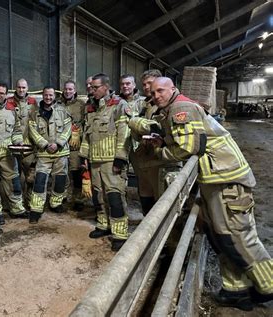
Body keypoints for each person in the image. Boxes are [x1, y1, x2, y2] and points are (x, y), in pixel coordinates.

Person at [148, 77, 272, 310]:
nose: (156, 96)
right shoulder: (175, 108)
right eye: (153, 92)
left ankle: (268, 283)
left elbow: (188, 147)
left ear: (173, 89)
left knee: (236, 235)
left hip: (227, 179)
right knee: (220, 236)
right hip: (217, 178)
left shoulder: (181, 108)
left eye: (160, 90)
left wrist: (159, 152)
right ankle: (237, 290)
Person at [79, 73, 131, 251]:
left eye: (95, 87)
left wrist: (120, 158)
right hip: (94, 161)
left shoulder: (119, 105)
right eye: (91, 88)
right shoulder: (91, 108)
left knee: (114, 196)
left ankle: (119, 233)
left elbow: (125, 134)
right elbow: (87, 135)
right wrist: (84, 157)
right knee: (98, 195)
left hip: (111, 162)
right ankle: (103, 224)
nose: (92, 90)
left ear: (105, 87)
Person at [0, 82, 27, 225]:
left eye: (2, 93)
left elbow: (17, 131)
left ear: (6, 94)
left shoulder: (12, 109)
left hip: (7, 154)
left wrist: (18, 142)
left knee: (14, 183)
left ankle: (17, 209)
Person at [127, 69, 170, 215]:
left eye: (149, 83)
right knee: (145, 195)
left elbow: (158, 129)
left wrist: (135, 122)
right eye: (144, 84)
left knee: (161, 200)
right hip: (145, 159)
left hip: (159, 161)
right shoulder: (146, 105)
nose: (146, 87)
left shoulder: (163, 105)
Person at [28, 86, 71, 223]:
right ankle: (36, 209)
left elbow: (68, 129)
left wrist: (58, 143)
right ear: (43, 95)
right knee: (40, 181)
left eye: (51, 95)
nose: (48, 98)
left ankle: (56, 203)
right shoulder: (35, 113)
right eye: (46, 95)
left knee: (60, 179)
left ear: (54, 96)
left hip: (60, 152)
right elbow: (32, 131)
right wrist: (45, 145)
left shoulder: (63, 111)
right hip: (43, 153)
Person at [7, 78, 37, 209]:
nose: (21, 90)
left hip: (29, 146)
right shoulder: (8, 102)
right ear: (15, 88)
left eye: (24, 88)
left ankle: (29, 201)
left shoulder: (33, 103)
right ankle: (16, 204)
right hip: (14, 147)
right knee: (15, 178)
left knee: (31, 177)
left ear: (27, 88)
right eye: (19, 87)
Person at [61, 80, 86, 210]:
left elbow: (86, 123)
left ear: (75, 91)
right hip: (61, 144)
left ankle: (78, 199)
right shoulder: (58, 104)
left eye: (70, 89)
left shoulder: (81, 105)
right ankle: (62, 197)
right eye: (66, 89)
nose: (68, 91)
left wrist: (78, 133)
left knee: (76, 173)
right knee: (62, 173)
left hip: (75, 145)